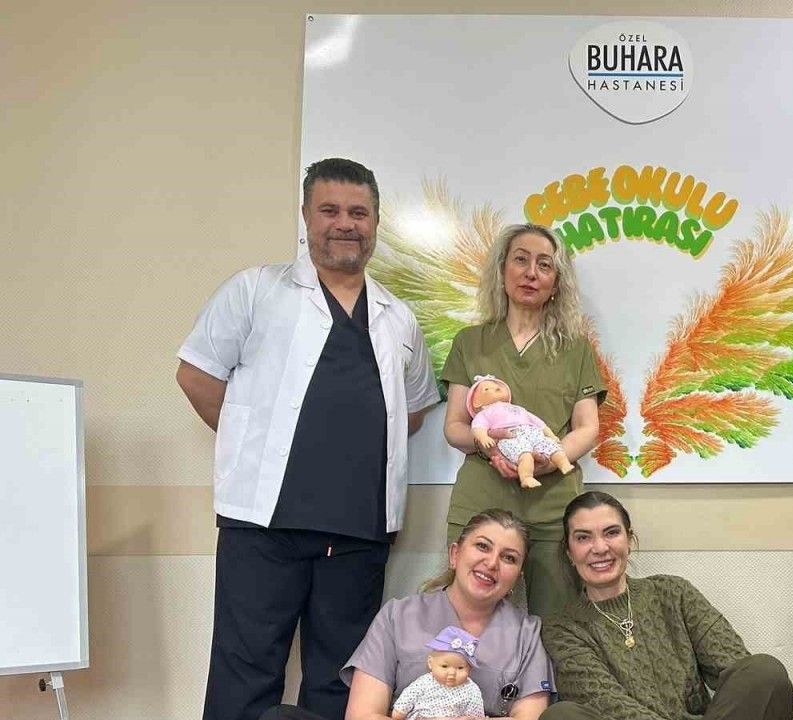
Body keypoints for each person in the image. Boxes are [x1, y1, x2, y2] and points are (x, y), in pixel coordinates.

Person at [177, 158, 438, 720]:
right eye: (330, 210)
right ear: (306, 216)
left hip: (361, 533)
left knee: (341, 682)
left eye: (358, 213)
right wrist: (257, 437)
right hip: (263, 527)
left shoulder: (399, 318)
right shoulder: (255, 291)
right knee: (244, 673)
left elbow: (413, 411)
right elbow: (196, 376)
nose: (345, 224)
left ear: (375, 222)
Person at [440, 223, 604, 617]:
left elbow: (588, 428)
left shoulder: (576, 349)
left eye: (544, 265)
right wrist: (495, 450)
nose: (531, 273)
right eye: (521, 260)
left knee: (559, 626)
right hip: (481, 499)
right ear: (502, 271)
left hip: (553, 506)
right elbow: (455, 427)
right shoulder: (470, 342)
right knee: (466, 623)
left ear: (556, 282)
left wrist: (546, 460)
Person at [261, 510, 554, 720]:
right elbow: (362, 714)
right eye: (482, 546)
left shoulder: (527, 634)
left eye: (509, 558)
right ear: (455, 555)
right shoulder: (398, 616)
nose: (491, 563)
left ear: (517, 576)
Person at [541, 491, 793, 720]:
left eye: (611, 533)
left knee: (763, 671)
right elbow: (607, 704)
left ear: (629, 540)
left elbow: (738, 673)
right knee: (560, 716)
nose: (599, 548)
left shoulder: (674, 593)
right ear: (569, 553)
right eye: (583, 537)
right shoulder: (562, 627)